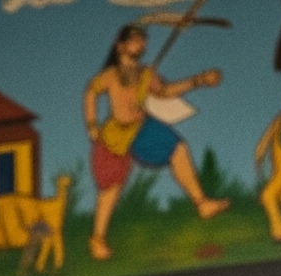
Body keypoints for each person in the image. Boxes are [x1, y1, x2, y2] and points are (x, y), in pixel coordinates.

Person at [83, 20, 229, 262]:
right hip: (114, 137)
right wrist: (91, 125)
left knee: (177, 147)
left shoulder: (146, 74)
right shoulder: (110, 75)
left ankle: (202, 203)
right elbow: (90, 92)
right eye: (135, 40)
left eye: (143, 41)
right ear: (120, 46)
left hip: (141, 129)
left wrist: (198, 80)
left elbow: (164, 91)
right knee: (110, 189)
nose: (141, 45)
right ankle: (97, 239)